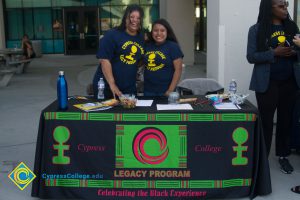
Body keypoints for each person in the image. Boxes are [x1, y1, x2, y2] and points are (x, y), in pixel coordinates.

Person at [246, 0, 300, 174]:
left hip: (290, 82)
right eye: (281, 6)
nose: (285, 9)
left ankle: (283, 156)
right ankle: (263, 158)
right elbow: (251, 56)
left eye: (286, 5)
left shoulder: (292, 27)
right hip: (267, 82)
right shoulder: (256, 29)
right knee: (267, 122)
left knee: (286, 120)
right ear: (270, 8)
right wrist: (273, 53)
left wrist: (295, 52)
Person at [92, 4, 145, 99]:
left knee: (130, 113)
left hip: (129, 88)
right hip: (107, 86)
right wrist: (112, 84)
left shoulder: (141, 38)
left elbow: (140, 59)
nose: (135, 20)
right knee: (106, 113)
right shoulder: (112, 35)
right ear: (125, 18)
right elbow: (104, 60)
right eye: (131, 17)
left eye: (138, 18)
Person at [143, 19, 183, 96]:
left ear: (167, 32)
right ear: (152, 32)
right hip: (148, 90)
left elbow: (178, 70)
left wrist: (170, 90)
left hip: (166, 91)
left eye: (162, 30)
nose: (159, 33)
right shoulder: (147, 45)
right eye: (155, 30)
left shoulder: (173, 46)